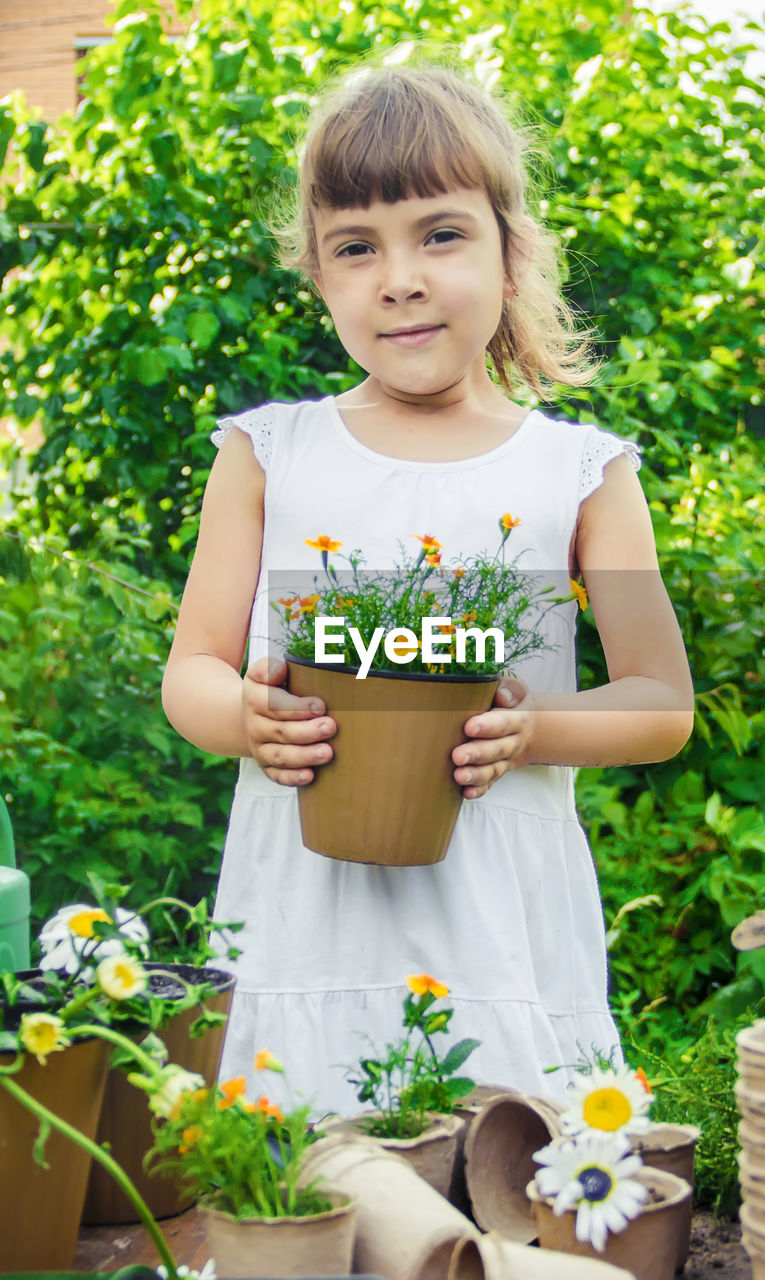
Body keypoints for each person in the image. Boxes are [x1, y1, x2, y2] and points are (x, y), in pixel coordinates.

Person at [161, 60, 694, 1112]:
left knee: (505, 1203)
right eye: (355, 247)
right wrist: (248, 717)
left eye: (439, 234)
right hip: (307, 927)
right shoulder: (266, 455)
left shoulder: (584, 472)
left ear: (511, 256)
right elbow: (192, 669)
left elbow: (661, 702)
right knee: (306, 1207)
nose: (397, 277)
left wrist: (532, 729)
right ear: (318, 275)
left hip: (502, 932)